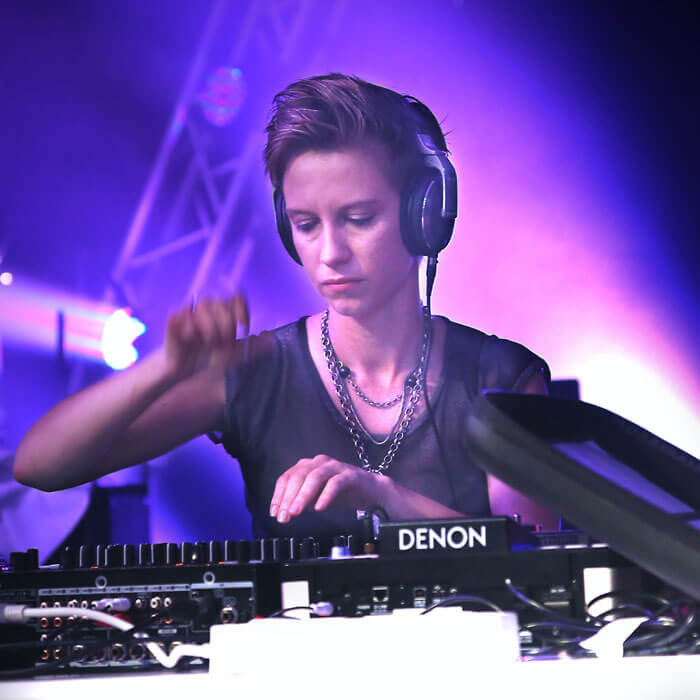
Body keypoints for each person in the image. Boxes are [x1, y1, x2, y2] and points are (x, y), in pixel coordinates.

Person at [13, 74, 554, 543]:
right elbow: (41, 467)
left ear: (424, 215)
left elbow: (536, 557)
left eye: (359, 219)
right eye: (307, 225)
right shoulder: (256, 371)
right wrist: (164, 369)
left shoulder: (501, 377)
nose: (330, 252)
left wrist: (385, 497)